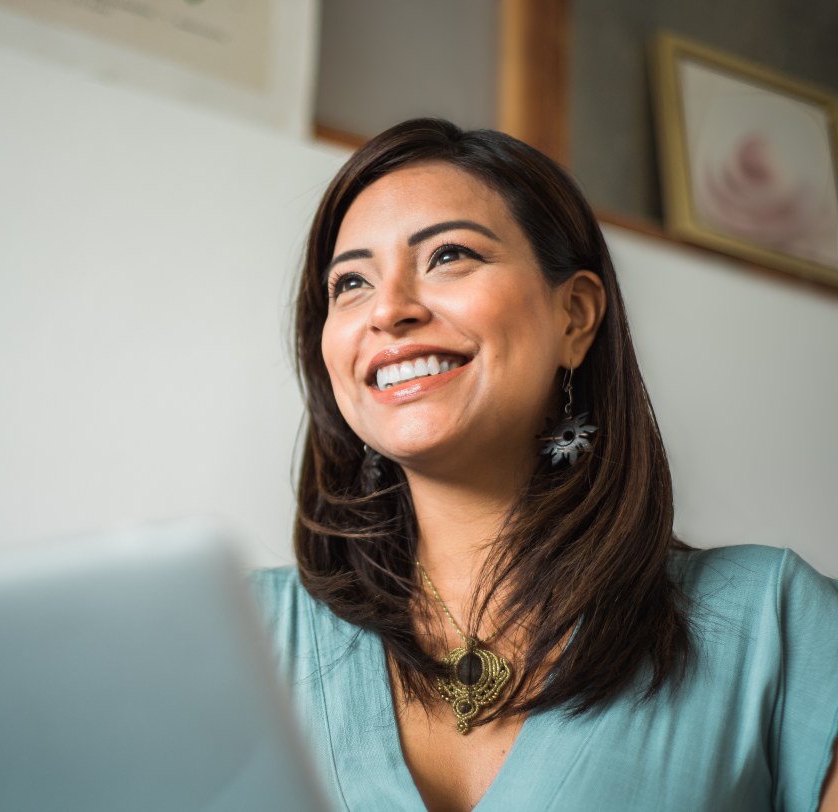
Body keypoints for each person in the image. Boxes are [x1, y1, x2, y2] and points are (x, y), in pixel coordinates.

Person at [250, 118, 838, 812]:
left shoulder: (777, 622)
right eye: (350, 282)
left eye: (447, 256)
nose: (389, 309)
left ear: (576, 316)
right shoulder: (244, 636)